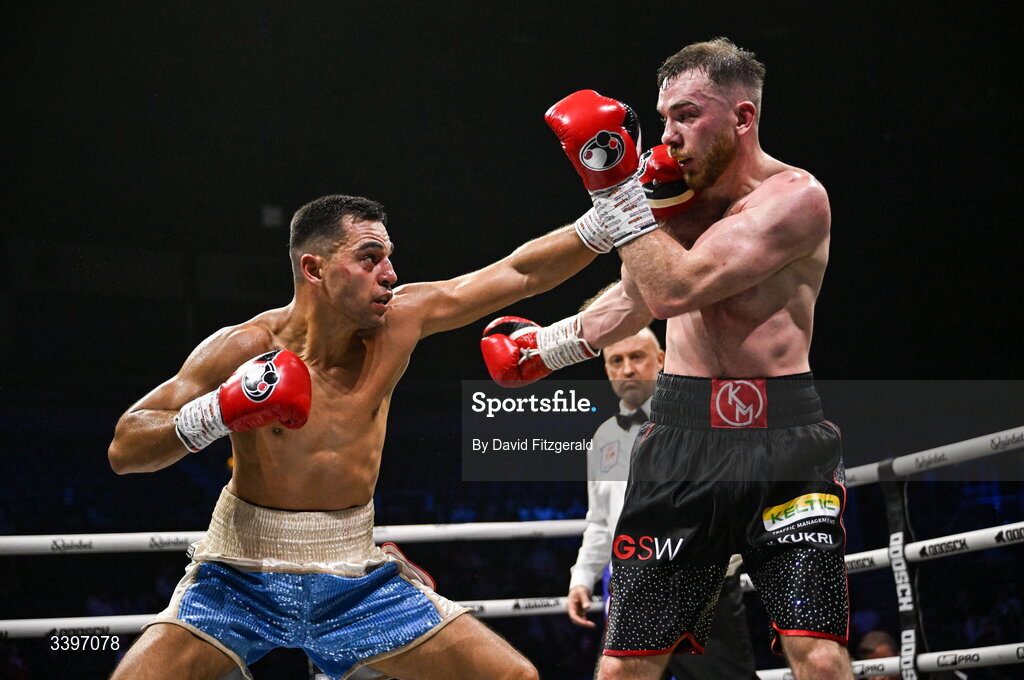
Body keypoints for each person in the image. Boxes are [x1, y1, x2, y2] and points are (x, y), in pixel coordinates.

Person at [106, 194, 602, 680]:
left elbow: (519, 274)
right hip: (240, 573)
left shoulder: (399, 322)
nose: (389, 274)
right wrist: (217, 411)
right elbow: (125, 449)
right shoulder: (247, 346)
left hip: (356, 578)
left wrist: (605, 223)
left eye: (389, 258)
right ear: (315, 269)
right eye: (369, 259)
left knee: (512, 676)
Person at [482, 38, 851, 680]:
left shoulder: (795, 199)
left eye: (687, 115)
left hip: (784, 440)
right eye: (662, 119)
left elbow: (673, 288)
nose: (668, 135)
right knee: (629, 662)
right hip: (681, 438)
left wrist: (614, 193)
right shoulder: (670, 202)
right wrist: (547, 348)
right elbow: (633, 298)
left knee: (817, 656)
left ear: (742, 118)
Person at [566, 328, 757, 680]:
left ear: (661, 360)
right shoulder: (604, 437)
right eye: (616, 361)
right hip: (633, 587)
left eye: (636, 357)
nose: (626, 370)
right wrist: (582, 578)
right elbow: (600, 520)